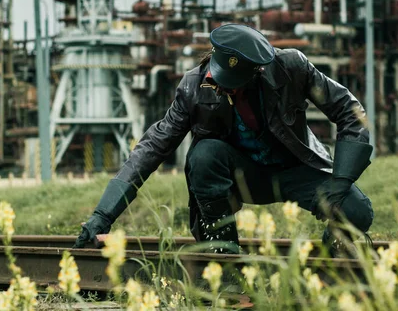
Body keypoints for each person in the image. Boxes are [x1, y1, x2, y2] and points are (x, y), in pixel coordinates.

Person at [73, 23, 374, 255]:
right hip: (243, 176)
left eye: (234, 84)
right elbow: (153, 146)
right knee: (204, 154)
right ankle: (224, 258)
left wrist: (341, 180)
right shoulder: (193, 87)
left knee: (357, 210)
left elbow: (350, 111)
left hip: (295, 169)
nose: (224, 88)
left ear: (257, 71)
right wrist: (103, 215)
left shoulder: (291, 67)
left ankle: (326, 262)